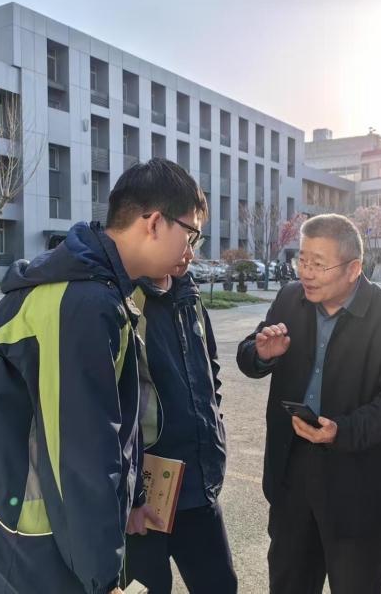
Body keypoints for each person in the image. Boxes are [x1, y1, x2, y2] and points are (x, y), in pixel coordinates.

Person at [0, 159, 207, 594]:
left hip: (32, 533)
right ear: (153, 223)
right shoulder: (83, 303)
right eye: (191, 233)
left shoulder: (93, 288)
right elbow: (80, 453)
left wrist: (132, 501)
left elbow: (112, 429)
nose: (191, 250)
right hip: (26, 543)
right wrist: (102, 576)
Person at [236, 214, 381, 594]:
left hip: (357, 484)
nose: (306, 273)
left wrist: (342, 431)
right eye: (302, 260)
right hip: (291, 474)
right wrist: (262, 354)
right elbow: (249, 354)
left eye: (318, 264)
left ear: (353, 269)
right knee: (288, 582)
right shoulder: (290, 299)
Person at [124, 241, 237, 593]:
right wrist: (130, 494)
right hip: (143, 494)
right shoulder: (124, 301)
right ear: (154, 229)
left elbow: (210, 371)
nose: (189, 253)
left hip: (198, 486)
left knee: (221, 586)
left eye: (195, 241)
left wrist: (213, 428)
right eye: (183, 239)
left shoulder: (190, 295)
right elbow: (109, 408)